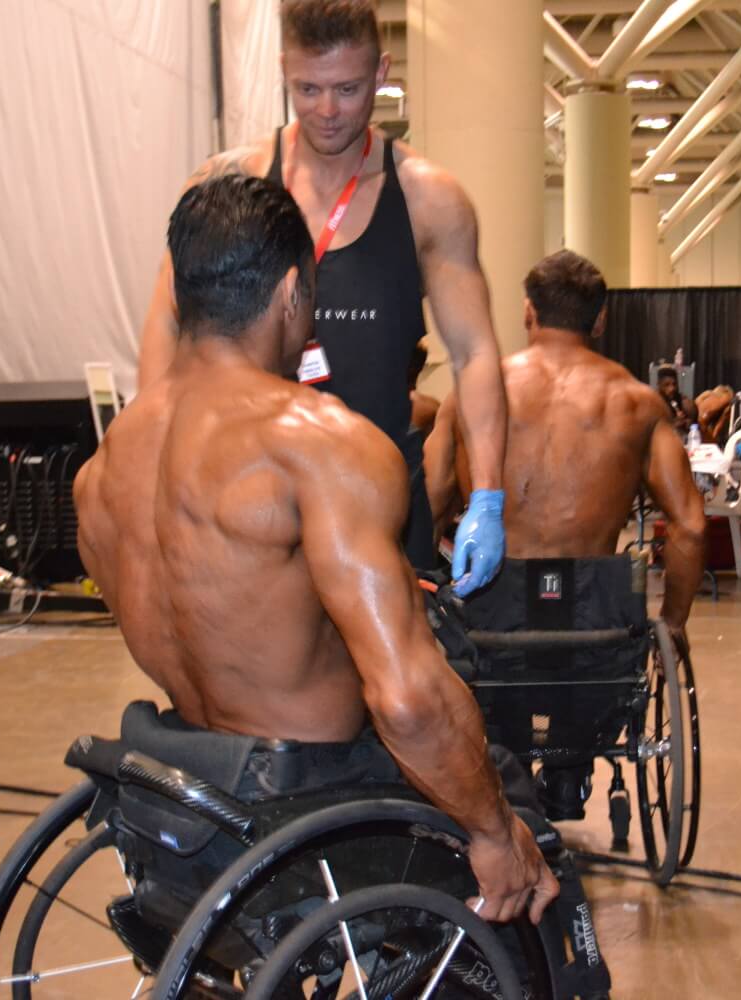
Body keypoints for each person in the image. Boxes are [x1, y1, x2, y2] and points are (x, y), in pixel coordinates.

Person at [75, 173, 558, 926]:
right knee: (513, 806)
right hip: (306, 803)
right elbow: (405, 700)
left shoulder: (103, 468)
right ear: (293, 293)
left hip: (189, 793)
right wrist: (497, 833)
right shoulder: (321, 445)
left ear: (181, 294)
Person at [135, 0, 507, 595]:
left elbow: (475, 353)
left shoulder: (428, 200)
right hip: (253, 507)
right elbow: (167, 323)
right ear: (284, 69)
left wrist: (486, 495)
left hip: (381, 507)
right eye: (308, 89)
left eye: (348, 89)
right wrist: (153, 465)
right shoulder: (228, 184)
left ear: (381, 73)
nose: (328, 111)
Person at [426, 250, 706, 639]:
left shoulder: (471, 396)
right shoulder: (638, 404)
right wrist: (672, 624)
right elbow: (690, 527)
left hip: (490, 627)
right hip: (595, 629)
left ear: (528, 311)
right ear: (600, 320)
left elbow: (428, 510)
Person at [657, 366, 696, 437]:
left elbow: (693, 430)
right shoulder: (654, 403)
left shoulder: (684, 402)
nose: (672, 388)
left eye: (674, 384)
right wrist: (674, 424)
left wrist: (687, 423)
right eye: (667, 385)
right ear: (659, 385)